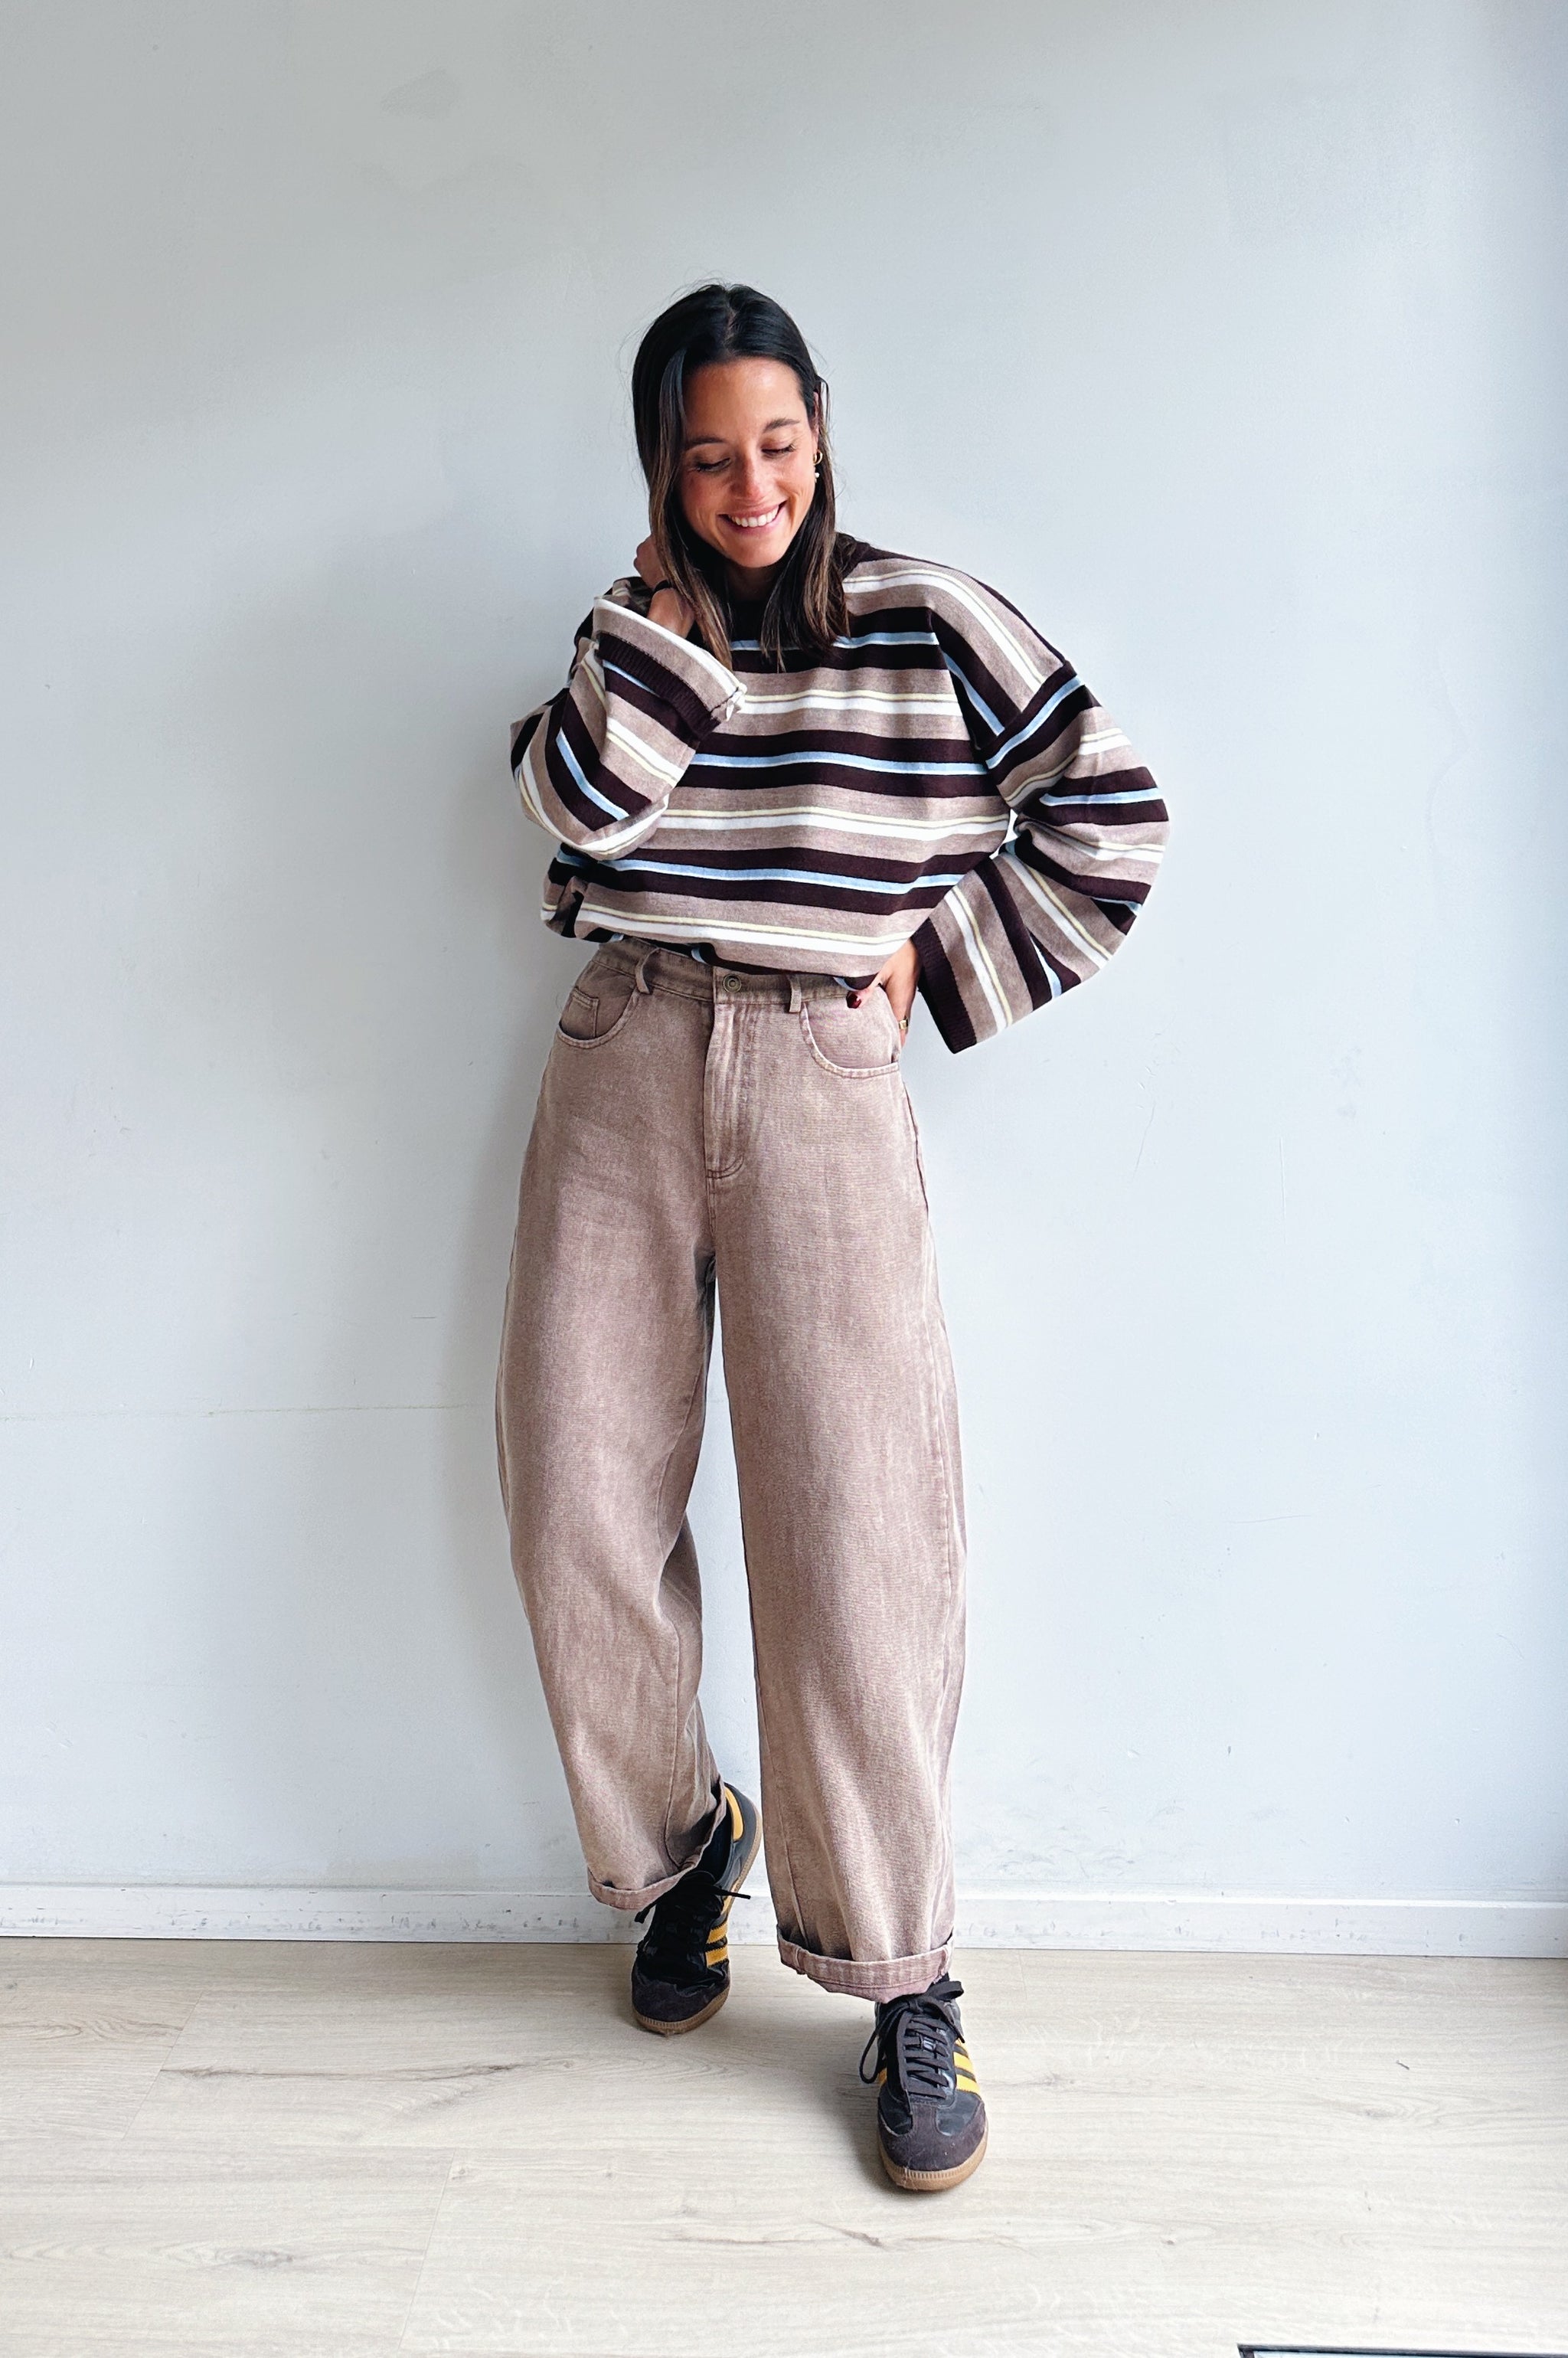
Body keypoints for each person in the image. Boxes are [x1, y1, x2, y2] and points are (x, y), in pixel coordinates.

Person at [496, 282, 1168, 2193]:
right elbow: (563, 809)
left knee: (858, 1525)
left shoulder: (926, 618)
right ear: (657, 465)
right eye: (706, 456)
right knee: (574, 1494)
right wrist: (665, 636)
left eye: (776, 445)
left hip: (820, 1067)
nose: (749, 487)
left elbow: (1113, 813)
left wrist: (931, 963)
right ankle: (678, 1851)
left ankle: (899, 1973)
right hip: (624, 1046)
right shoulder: (631, 633)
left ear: (820, 433)